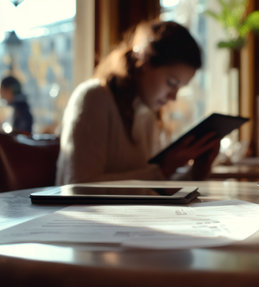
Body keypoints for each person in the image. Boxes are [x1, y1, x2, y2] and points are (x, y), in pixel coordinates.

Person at [56, 20, 221, 185]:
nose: (173, 97)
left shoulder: (146, 111)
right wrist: (163, 169)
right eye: (171, 83)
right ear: (145, 63)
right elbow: (78, 185)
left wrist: (196, 173)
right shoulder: (93, 98)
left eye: (180, 87)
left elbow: (149, 184)